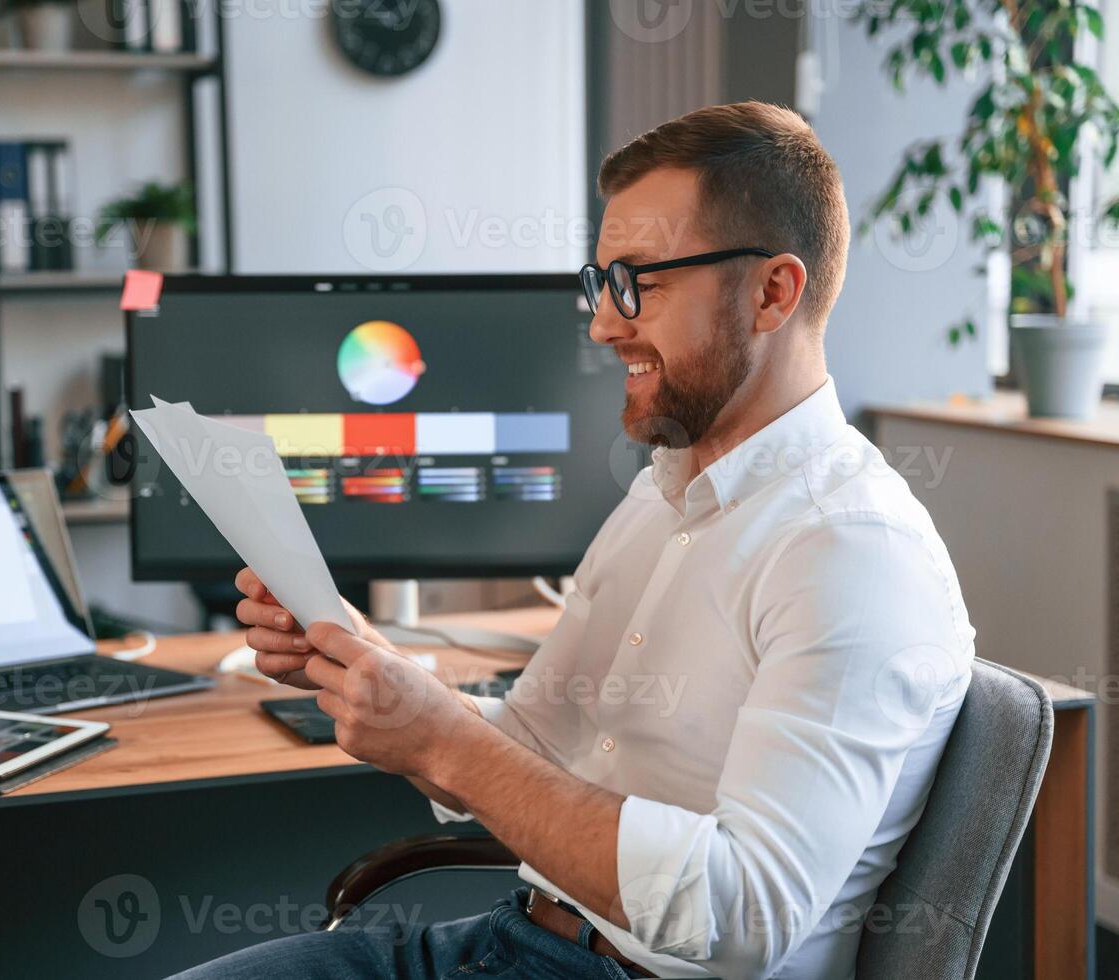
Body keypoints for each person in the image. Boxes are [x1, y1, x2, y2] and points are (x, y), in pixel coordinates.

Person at [175, 101, 974, 980]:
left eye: (639, 283)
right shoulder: (660, 499)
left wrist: (443, 740)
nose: (601, 325)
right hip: (514, 941)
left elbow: (742, 915)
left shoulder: (850, 551)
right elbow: (533, 752)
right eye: (599, 285)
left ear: (772, 292)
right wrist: (371, 668)